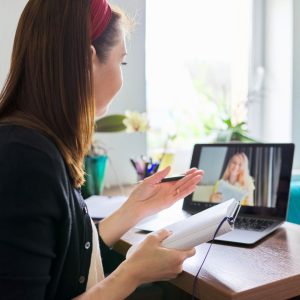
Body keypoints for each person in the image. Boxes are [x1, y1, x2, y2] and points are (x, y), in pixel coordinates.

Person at [0, 0, 204, 299]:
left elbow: (63, 257)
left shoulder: (32, 144)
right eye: (121, 62)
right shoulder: (24, 159)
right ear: (87, 60)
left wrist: (135, 209)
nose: (121, 76)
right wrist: (132, 273)